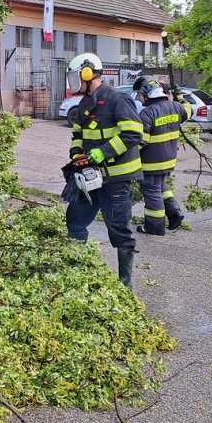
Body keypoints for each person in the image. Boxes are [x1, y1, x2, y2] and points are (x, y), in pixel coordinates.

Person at [63, 53, 143, 288]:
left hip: (117, 177)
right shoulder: (84, 104)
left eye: (76, 75)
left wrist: (104, 152)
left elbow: (133, 133)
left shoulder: (117, 99)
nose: (73, 81)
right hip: (90, 177)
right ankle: (77, 273)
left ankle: (125, 285)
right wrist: (77, 155)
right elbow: (77, 135)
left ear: (88, 73)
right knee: (75, 220)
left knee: (119, 229)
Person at [132, 77, 192, 235]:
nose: (139, 98)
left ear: (147, 94)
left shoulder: (147, 112)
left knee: (151, 191)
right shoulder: (176, 107)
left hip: (152, 163)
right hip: (169, 161)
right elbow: (188, 110)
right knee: (161, 187)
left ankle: (155, 227)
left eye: (140, 94)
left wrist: (125, 155)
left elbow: (141, 142)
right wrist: (179, 95)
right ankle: (175, 214)